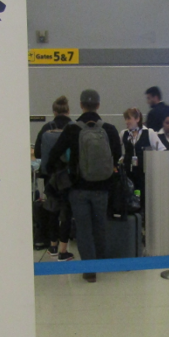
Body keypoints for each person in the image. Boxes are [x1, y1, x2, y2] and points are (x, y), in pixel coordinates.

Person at [47, 89, 122, 283]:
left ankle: (89, 270)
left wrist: (57, 170)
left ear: (80, 105)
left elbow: (54, 154)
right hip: (103, 188)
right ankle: (100, 262)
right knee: (100, 225)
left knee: (83, 228)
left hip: (78, 188)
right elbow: (118, 153)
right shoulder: (110, 129)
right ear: (98, 105)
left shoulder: (73, 129)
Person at [34, 95, 74, 261]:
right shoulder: (74, 127)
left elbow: (37, 153)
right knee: (66, 212)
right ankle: (64, 250)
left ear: (54, 111)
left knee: (52, 212)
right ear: (68, 111)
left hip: (50, 178)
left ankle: (53, 247)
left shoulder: (46, 128)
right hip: (69, 178)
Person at [120, 107, 164, 209]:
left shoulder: (149, 133)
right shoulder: (124, 133)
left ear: (137, 119)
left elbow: (162, 150)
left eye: (129, 119)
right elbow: (116, 148)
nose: (126, 122)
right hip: (128, 173)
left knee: (144, 196)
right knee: (128, 196)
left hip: (144, 173)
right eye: (126, 119)